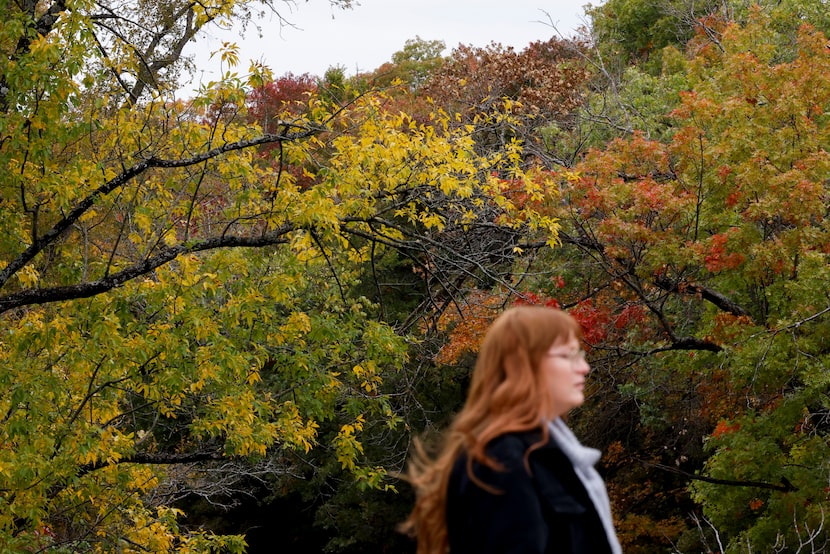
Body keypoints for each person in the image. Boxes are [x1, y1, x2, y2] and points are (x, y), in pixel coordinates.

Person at [400, 305, 622, 554]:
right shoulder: (500, 458)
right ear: (524, 365)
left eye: (579, 354)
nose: (583, 367)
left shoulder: (550, 451)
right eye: (567, 355)